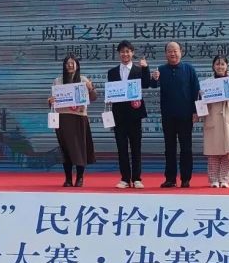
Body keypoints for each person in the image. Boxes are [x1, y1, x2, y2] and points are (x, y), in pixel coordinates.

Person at [150, 41, 200, 188]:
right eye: (170, 51)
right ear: (166, 54)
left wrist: (196, 111)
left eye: (175, 50)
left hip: (186, 116)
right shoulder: (161, 70)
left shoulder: (189, 69)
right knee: (169, 148)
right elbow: (153, 85)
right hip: (168, 116)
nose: (173, 53)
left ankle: (186, 178)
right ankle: (170, 179)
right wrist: (154, 78)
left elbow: (196, 91)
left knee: (186, 148)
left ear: (181, 52)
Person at [48, 54, 97, 187]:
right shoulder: (58, 81)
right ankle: (68, 179)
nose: (70, 65)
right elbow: (52, 99)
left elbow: (93, 98)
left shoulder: (83, 80)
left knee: (80, 148)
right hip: (63, 119)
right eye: (67, 63)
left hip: (79, 118)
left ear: (77, 65)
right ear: (64, 65)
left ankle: (80, 178)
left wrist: (91, 88)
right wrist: (50, 100)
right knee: (65, 149)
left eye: (72, 63)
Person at [107, 40, 150, 189]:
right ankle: (125, 178)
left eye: (128, 51)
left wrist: (146, 68)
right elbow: (111, 92)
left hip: (135, 115)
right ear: (119, 54)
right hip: (119, 115)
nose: (125, 54)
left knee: (136, 147)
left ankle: (137, 178)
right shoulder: (112, 72)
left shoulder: (139, 70)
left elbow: (146, 84)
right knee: (122, 148)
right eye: (122, 52)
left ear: (132, 53)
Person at [201, 55, 229, 188]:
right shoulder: (208, 83)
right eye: (217, 64)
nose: (220, 67)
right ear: (213, 66)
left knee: (227, 152)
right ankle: (214, 179)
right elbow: (201, 103)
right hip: (212, 119)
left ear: (227, 66)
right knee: (213, 152)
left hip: (226, 119)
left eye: (223, 64)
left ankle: (225, 179)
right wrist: (202, 95)